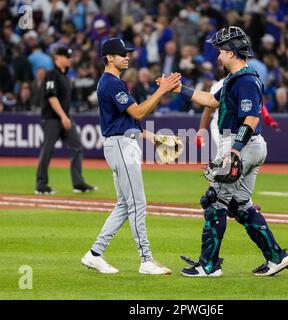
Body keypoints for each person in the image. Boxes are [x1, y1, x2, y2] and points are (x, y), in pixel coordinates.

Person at [177, 26, 288, 277]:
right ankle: (276, 257)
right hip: (249, 145)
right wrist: (179, 89)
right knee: (240, 205)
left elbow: (250, 119)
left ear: (231, 52)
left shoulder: (246, 79)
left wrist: (235, 151)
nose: (218, 55)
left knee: (214, 203)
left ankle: (208, 265)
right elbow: (210, 100)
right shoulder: (236, 78)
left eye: (220, 51)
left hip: (242, 144)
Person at [81, 38, 180, 275]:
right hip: (120, 146)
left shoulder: (115, 82)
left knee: (125, 205)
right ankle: (146, 260)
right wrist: (162, 90)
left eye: (127, 53)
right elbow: (138, 111)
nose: (127, 56)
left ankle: (94, 254)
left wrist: (153, 137)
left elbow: (129, 121)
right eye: (122, 53)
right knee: (137, 203)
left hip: (123, 142)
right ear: (109, 58)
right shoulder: (110, 83)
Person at [35, 46, 96, 195]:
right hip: (52, 118)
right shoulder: (51, 74)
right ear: (58, 58)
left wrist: (65, 116)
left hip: (64, 117)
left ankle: (78, 183)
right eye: (67, 57)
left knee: (77, 146)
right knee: (48, 149)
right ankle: (41, 184)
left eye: (70, 57)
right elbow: (51, 97)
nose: (70, 59)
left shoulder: (65, 75)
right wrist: (63, 116)